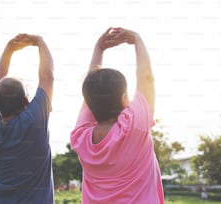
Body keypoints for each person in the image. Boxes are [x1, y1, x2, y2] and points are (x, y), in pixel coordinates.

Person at [70, 27, 164, 203]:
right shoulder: (134, 126)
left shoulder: (80, 137)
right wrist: (137, 39)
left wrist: (99, 49)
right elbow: (146, 78)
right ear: (123, 98)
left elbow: (91, 92)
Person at [0, 33, 54, 203]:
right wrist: (40, 41)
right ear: (27, 101)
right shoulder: (34, 122)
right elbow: (47, 77)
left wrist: (9, 49)